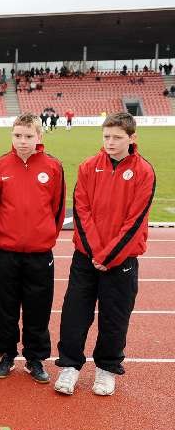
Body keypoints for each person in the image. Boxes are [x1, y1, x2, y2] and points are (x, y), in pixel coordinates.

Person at [54, 112, 156, 396]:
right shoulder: (88, 166)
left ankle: (107, 368)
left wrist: (109, 256)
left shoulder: (144, 171)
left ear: (132, 138)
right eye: (107, 136)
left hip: (122, 260)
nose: (110, 142)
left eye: (117, 137)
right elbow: (81, 210)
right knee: (74, 313)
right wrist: (95, 252)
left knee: (114, 317)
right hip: (86, 257)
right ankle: (69, 366)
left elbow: (135, 220)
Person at [0, 113, 65, 383]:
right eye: (18, 135)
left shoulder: (53, 166)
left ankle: (35, 358)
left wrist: (44, 236)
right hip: (7, 253)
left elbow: (57, 209)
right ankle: (6, 354)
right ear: (11, 136)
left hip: (39, 253)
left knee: (38, 308)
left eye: (29, 136)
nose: (23, 141)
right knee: (6, 307)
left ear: (39, 137)